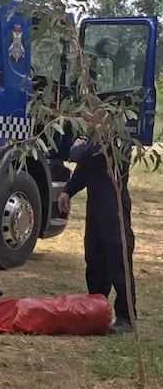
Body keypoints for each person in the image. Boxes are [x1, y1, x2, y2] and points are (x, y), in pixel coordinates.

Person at [58, 137, 136, 335]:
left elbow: (87, 156)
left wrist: (74, 148)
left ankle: (126, 317)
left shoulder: (117, 135)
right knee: (94, 258)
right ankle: (96, 309)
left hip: (114, 205)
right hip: (96, 205)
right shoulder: (93, 137)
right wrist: (68, 191)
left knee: (117, 259)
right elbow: (85, 169)